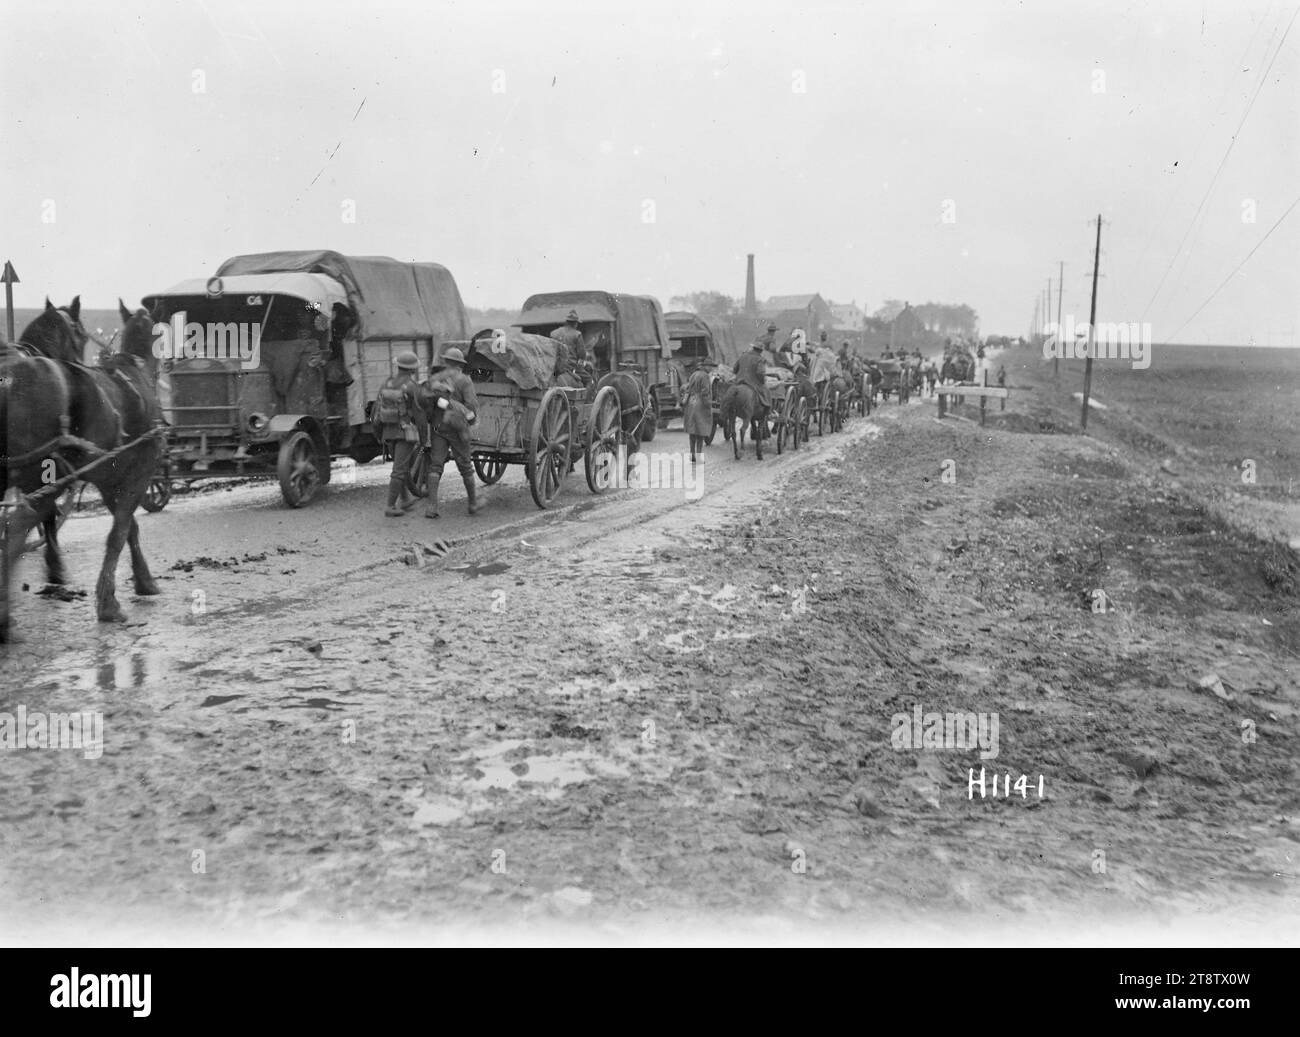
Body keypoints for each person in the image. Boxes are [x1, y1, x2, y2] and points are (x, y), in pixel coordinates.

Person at [420, 347, 481, 518]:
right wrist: (470, 422)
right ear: (460, 364)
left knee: (435, 465)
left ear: (446, 362)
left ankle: (432, 507)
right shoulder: (464, 380)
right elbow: (471, 407)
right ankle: (473, 504)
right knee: (465, 466)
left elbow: (426, 403)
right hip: (457, 428)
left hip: (438, 428)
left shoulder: (435, 379)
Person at [373, 351, 425, 518]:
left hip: (388, 431)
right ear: (413, 369)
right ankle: (390, 506)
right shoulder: (412, 386)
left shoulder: (387, 383)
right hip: (405, 433)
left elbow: (376, 410)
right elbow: (419, 414)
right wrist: (424, 437)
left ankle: (405, 499)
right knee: (398, 470)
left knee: (399, 465)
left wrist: (378, 432)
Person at [681, 360, 715, 463]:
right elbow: (705, 392)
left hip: (691, 403)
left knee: (692, 432)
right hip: (700, 405)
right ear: (705, 367)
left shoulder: (693, 374)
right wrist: (709, 404)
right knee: (700, 432)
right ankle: (699, 457)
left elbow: (688, 389)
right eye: (710, 367)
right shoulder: (705, 376)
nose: (711, 369)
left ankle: (692, 455)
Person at [734, 331, 772, 412]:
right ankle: (767, 412)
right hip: (753, 383)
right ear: (761, 351)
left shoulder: (743, 356)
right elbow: (760, 373)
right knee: (767, 391)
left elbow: (734, 369)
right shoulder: (760, 359)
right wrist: (762, 381)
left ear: (753, 348)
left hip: (739, 381)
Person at [550, 310, 590, 385]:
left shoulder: (553, 333)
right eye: (577, 323)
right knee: (589, 380)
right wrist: (580, 365)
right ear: (575, 323)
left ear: (566, 322)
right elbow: (582, 355)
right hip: (570, 367)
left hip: (554, 368)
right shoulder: (577, 334)